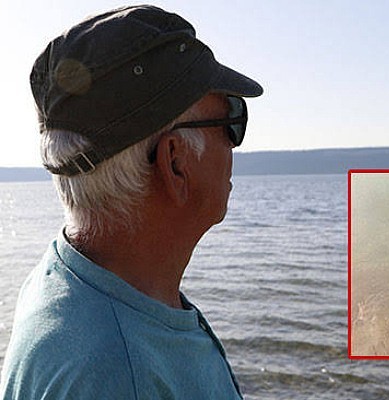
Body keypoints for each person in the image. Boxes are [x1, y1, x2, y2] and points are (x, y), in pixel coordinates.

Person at [0, 5, 262, 399]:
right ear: (175, 161)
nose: (234, 145)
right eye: (230, 121)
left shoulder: (73, 276)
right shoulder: (120, 375)